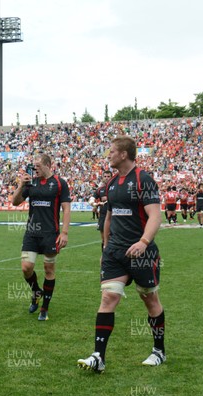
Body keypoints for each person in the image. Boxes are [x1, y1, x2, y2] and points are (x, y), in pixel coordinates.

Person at [77, 136, 165, 373]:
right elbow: (108, 216)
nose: (109, 156)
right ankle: (98, 356)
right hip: (114, 252)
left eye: (112, 152)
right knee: (108, 298)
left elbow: (155, 216)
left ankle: (159, 351)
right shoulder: (111, 183)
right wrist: (104, 247)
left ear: (124, 154)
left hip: (141, 253)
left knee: (150, 300)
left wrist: (144, 242)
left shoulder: (143, 180)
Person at [12, 154, 71, 321]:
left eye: (37, 165)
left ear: (47, 165)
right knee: (26, 267)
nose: (34, 168)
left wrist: (64, 232)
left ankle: (44, 308)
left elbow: (66, 208)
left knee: (48, 269)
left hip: (50, 233)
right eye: (33, 165)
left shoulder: (60, 183)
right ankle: (36, 291)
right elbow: (15, 202)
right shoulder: (30, 182)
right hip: (31, 232)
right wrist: (21, 185)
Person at [94, 170, 113, 251]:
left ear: (112, 177)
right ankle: (105, 257)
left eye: (108, 176)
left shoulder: (115, 188)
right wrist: (94, 205)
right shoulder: (99, 189)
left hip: (114, 216)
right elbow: (93, 199)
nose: (106, 178)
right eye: (105, 176)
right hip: (103, 216)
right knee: (104, 239)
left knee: (113, 238)